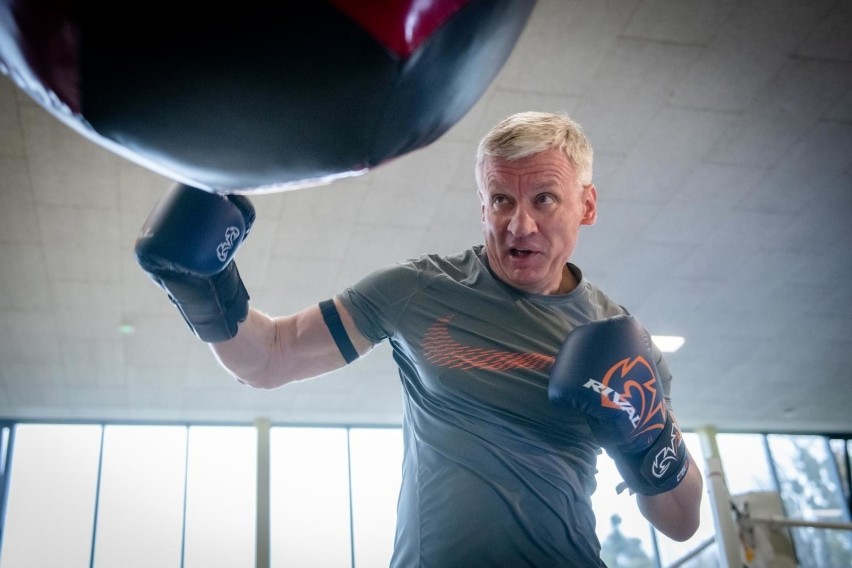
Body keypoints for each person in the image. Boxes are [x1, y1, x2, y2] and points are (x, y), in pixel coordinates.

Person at [136, 111, 703, 567]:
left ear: (587, 205)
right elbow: (269, 360)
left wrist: (646, 438)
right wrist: (205, 285)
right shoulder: (419, 289)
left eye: (545, 199)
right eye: (501, 199)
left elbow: (681, 522)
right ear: (482, 205)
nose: (519, 225)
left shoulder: (623, 342)